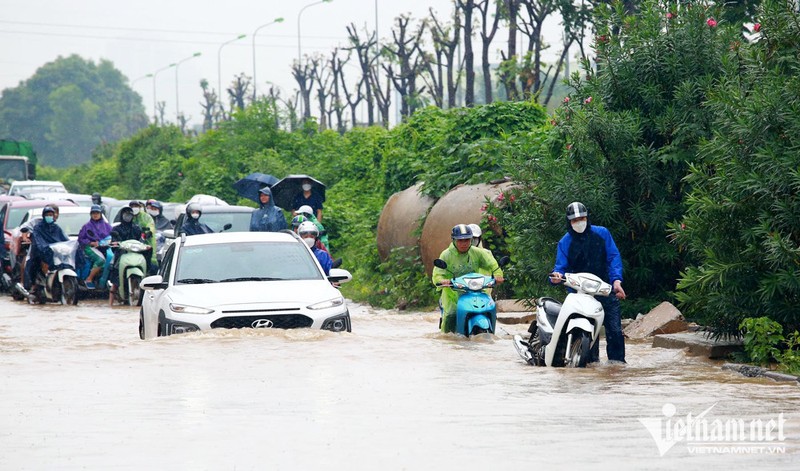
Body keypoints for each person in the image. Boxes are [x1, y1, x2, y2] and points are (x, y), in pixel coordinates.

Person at [549, 202, 627, 364]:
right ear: (569, 222)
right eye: (574, 220)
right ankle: (589, 364)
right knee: (586, 331)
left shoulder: (602, 234)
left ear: (587, 218)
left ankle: (617, 367)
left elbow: (613, 257)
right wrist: (557, 276)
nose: (579, 222)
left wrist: (616, 281)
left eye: (582, 218)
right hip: (579, 294)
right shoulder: (565, 242)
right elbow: (560, 267)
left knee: (615, 331)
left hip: (604, 289)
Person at [431, 224, 504, 334]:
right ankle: (447, 338)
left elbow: (492, 264)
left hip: (475, 289)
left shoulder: (478, 252)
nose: (464, 244)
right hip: (453, 293)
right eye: (460, 241)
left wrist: (498, 275)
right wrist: (442, 281)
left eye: (467, 240)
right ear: (454, 240)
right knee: (451, 314)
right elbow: (437, 274)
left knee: (489, 307)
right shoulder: (446, 255)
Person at [25, 206, 68, 298]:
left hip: (54, 253)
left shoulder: (57, 228)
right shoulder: (38, 227)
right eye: (47, 215)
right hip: (40, 252)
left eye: (51, 215)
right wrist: (43, 247)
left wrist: (68, 246)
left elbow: (64, 239)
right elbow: (38, 240)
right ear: (43, 216)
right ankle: (34, 286)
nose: (49, 216)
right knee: (34, 265)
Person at [109, 206, 146, 303]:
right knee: (116, 276)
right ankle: (110, 303)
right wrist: (116, 243)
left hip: (135, 253)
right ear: (121, 215)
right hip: (121, 255)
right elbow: (113, 242)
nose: (127, 217)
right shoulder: (116, 229)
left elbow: (141, 240)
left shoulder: (136, 228)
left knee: (151, 266)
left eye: (129, 215)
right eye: (125, 215)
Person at [78, 204, 112, 289]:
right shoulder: (86, 226)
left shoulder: (107, 226)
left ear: (101, 214)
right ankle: (89, 279)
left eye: (97, 213)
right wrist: (91, 242)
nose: (95, 215)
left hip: (105, 248)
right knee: (100, 261)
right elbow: (81, 239)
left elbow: (113, 236)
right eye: (93, 213)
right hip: (90, 248)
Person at [129, 200, 158, 273]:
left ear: (139, 207)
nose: (134, 208)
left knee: (152, 265)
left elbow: (151, 225)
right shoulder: (128, 216)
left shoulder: (146, 216)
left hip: (146, 242)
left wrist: (149, 232)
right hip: (132, 244)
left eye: (136, 206)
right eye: (132, 206)